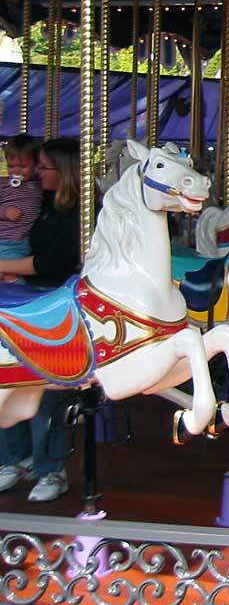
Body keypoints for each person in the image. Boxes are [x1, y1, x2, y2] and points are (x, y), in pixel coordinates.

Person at [0, 137, 81, 503]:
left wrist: (4, 265)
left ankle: (52, 468)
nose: (36, 173)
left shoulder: (75, 211)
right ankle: (15, 458)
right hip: (25, 296)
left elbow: (52, 262)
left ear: (63, 172)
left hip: (55, 302)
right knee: (9, 379)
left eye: (44, 167)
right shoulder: (41, 200)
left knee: (47, 389)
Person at [0, 134, 43, 262]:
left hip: (24, 242)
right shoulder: (3, 184)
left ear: (36, 165)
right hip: (4, 241)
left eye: (22, 166)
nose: (16, 171)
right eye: (11, 166)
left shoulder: (40, 185)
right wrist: (5, 212)